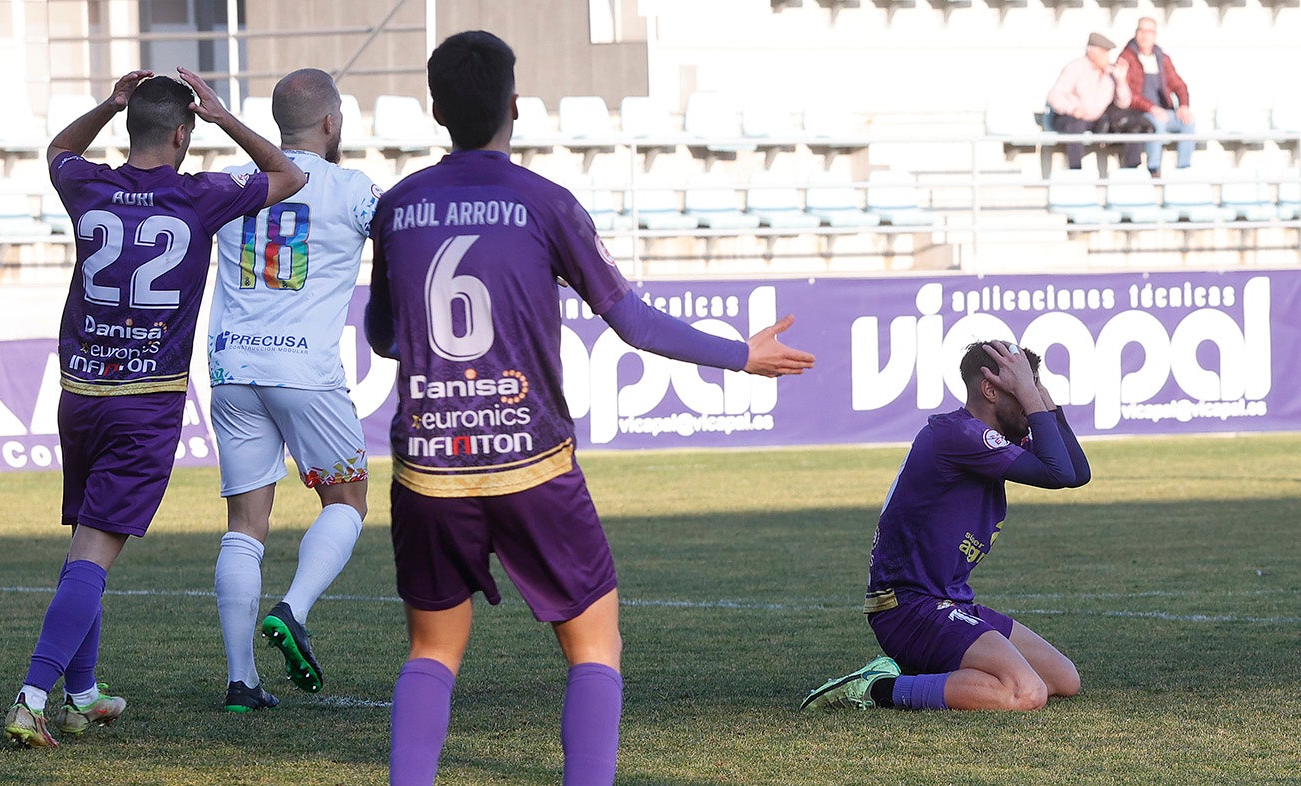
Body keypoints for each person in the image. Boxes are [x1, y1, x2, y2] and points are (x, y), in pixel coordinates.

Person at [363, 30, 816, 786]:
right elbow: (633, 324)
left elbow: (382, 336)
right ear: (516, 106)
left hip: (429, 467)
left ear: (434, 109)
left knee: (433, 651)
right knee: (594, 645)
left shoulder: (398, 207)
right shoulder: (546, 203)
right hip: (532, 461)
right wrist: (743, 354)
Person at [3, 69, 305, 748]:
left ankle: (81, 694)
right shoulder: (200, 196)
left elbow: (57, 150)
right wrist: (224, 117)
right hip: (145, 405)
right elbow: (288, 176)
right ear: (180, 134)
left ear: (130, 125)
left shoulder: (88, 185)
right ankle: (31, 696)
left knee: (87, 545)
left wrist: (108, 106)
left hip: (80, 395)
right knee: (94, 553)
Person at [208, 67, 382, 712]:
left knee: (245, 524)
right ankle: (294, 609)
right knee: (348, 498)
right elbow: (402, 237)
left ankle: (240, 680)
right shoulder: (354, 189)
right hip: (304, 371)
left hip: (232, 372)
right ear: (331, 123)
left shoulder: (232, 187)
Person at [800, 340, 1091, 713]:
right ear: (990, 390)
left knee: (1063, 679)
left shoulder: (993, 439)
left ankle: (920, 669)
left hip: (949, 603)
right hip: (906, 607)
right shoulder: (960, 435)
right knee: (1025, 692)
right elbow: (1058, 472)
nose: (1030, 398)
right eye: (1023, 389)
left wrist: (1040, 396)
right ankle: (878, 688)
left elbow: (1077, 473)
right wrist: (1033, 400)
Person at [1046, 33, 1138, 170]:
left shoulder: (1111, 73)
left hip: (1097, 119)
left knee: (1130, 123)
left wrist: (1121, 81)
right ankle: (1075, 170)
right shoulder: (1075, 68)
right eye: (1104, 53)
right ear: (1092, 53)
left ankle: (1132, 169)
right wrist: (1072, 109)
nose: (1108, 58)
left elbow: (1124, 103)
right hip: (1071, 117)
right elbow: (1054, 96)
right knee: (1075, 125)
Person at [1118, 17, 1194, 177]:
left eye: (1149, 31)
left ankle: (1183, 169)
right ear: (1136, 33)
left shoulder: (1162, 58)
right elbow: (1129, 94)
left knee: (1188, 121)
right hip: (1140, 113)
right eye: (1141, 30)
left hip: (1164, 111)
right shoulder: (1127, 57)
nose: (1145, 35)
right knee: (1156, 125)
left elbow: (1179, 85)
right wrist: (1151, 108)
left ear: (1155, 35)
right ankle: (1154, 169)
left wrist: (1184, 105)